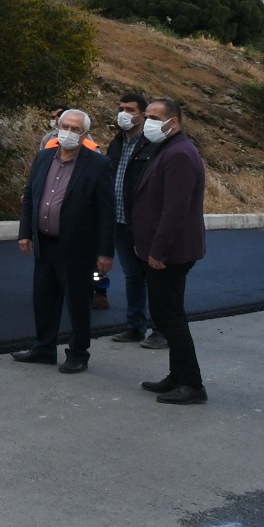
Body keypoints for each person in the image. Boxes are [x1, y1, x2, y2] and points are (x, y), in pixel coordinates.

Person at [11, 109, 116, 373]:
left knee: (78, 302)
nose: (68, 132)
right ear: (57, 127)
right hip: (45, 243)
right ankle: (44, 347)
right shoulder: (44, 156)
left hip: (77, 246)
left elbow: (106, 211)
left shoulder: (98, 164)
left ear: (85, 135)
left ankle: (78, 353)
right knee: (44, 298)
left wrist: (105, 252)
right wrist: (25, 232)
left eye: (75, 129)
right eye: (65, 126)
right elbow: (30, 195)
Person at [129, 97, 209, 405]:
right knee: (166, 315)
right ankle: (177, 376)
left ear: (172, 123)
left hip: (171, 253)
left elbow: (175, 210)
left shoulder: (180, 155)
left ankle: (192, 384)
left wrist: (157, 250)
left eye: (152, 116)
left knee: (171, 317)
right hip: (158, 249)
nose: (145, 121)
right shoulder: (167, 149)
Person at [103, 92, 166, 348]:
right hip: (118, 221)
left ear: (142, 114)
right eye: (121, 109)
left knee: (154, 276)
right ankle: (135, 326)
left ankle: (161, 329)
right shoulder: (116, 143)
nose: (124, 114)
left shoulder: (154, 145)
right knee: (132, 276)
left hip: (142, 222)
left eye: (130, 109)